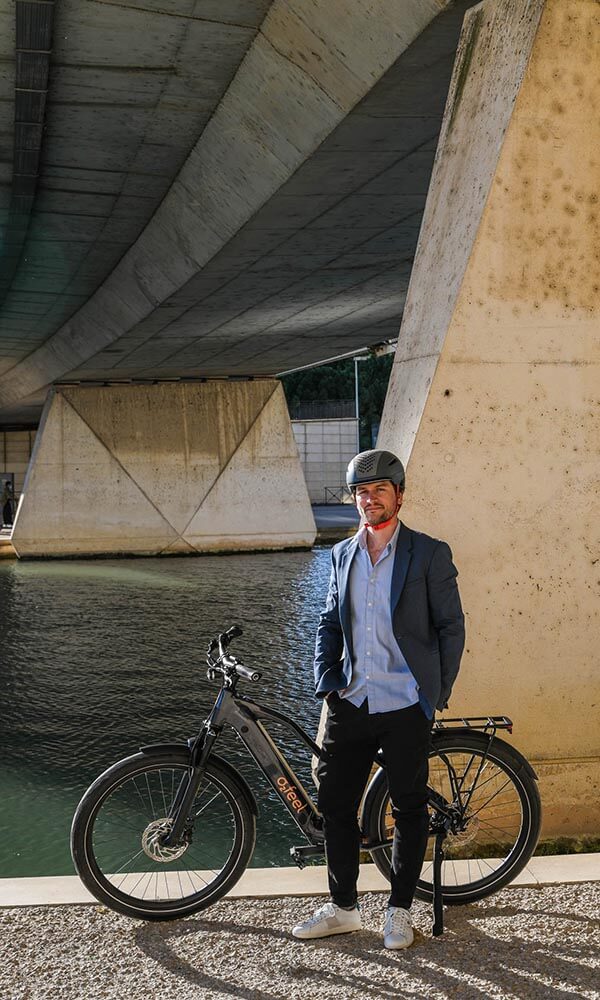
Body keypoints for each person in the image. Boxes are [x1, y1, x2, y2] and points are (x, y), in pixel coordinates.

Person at [292, 449, 465, 949]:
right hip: (350, 699)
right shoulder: (341, 554)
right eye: (361, 492)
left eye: (379, 490)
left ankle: (399, 911)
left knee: (409, 806)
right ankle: (344, 907)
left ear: (399, 495)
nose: (369, 499)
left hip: (404, 701)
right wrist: (327, 680)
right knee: (336, 805)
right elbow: (328, 622)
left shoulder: (429, 553)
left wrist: (434, 694)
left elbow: (451, 627)